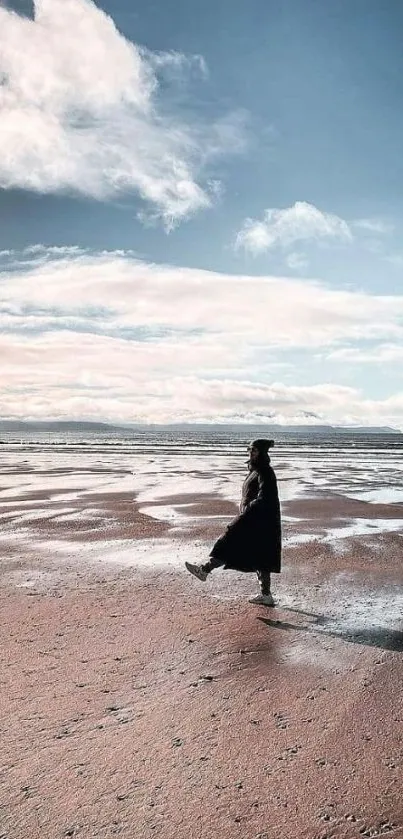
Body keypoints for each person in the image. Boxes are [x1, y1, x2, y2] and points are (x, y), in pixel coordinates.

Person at [185, 438, 281, 606]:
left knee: (228, 542)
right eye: (249, 450)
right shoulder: (256, 470)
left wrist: (247, 511)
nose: (251, 453)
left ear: (262, 453)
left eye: (254, 450)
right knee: (260, 556)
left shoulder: (265, 471)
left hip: (256, 520)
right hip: (254, 519)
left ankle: (204, 570)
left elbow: (265, 498)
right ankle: (266, 595)